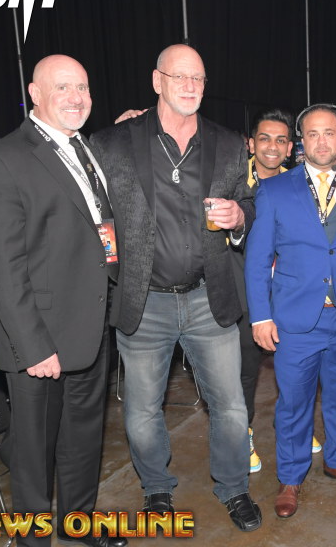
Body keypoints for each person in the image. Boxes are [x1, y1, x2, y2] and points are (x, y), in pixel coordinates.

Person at [90, 44, 262, 532]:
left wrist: (239, 216)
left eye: (198, 78)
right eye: (179, 76)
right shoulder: (112, 142)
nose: (189, 86)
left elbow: (249, 202)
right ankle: (157, 489)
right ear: (156, 81)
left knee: (231, 406)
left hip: (210, 298)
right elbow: (94, 214)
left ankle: (234, 488)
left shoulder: (229, 144)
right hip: (144, 303)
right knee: (143, 410)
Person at [0, 55, 126, 547]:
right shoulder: (1, 161)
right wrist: (34, 347)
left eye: (83, 87)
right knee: (34, 456)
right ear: (35, 94)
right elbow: (2, 268)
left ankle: (78, 525)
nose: (76, 97)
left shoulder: (86, 149)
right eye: (63, 87)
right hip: (38, 339)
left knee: (83, 441)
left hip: (90, 327)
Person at [245, 104, 336, 519]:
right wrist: (260, 316)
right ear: (301, 142)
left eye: (329, 133)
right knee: (293, 404)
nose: (322, 141)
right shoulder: (275, 191)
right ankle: (291, 477)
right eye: (313, 134)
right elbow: (258, 259)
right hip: (294, 322)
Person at [232, 108, 322, 474]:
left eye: (281, 140)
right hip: (243, 293)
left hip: (289, 294)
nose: (272, 146)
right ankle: (242, 435)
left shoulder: (301, 184)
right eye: (264, 138)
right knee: (245, 371)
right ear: (251, 144)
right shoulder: (230, 180)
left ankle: (296, 426)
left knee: (296, 367)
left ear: (290, 148)